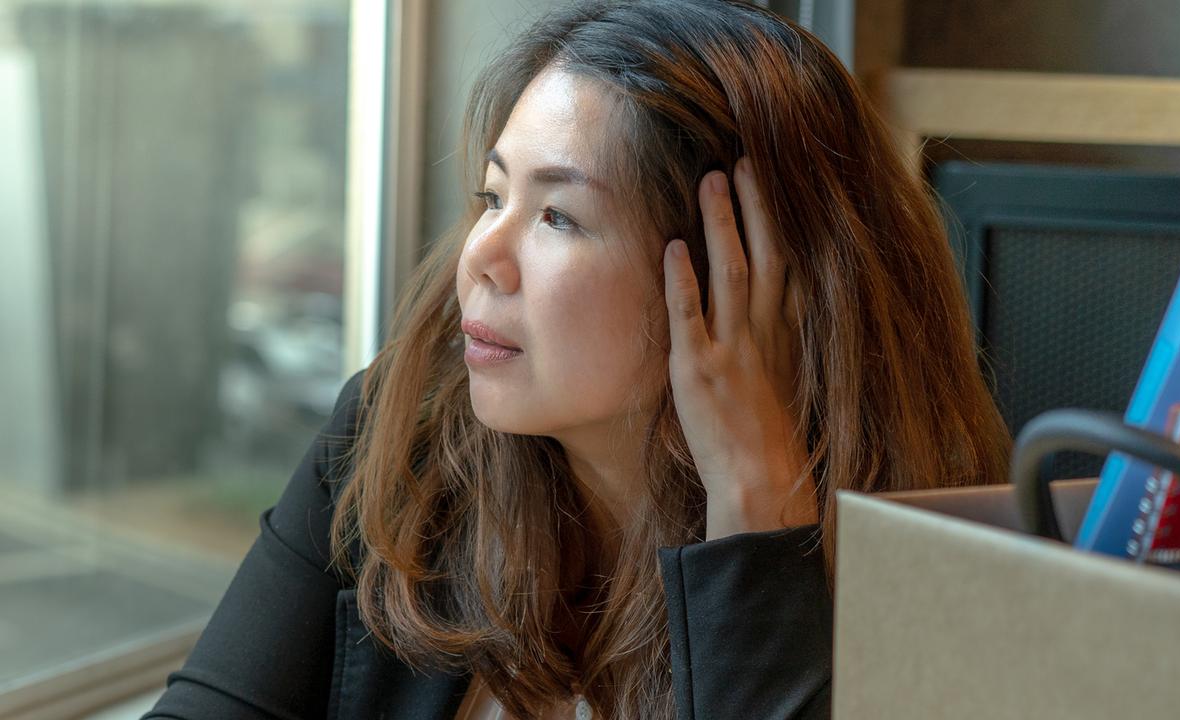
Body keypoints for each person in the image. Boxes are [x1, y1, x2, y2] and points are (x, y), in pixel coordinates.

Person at [143, 0, 1010, 718]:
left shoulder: (929, 564)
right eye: (492, 196)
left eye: (558, 216)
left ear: (732, 275)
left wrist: (755, 508)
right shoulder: (390, 441)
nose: (481, 253)